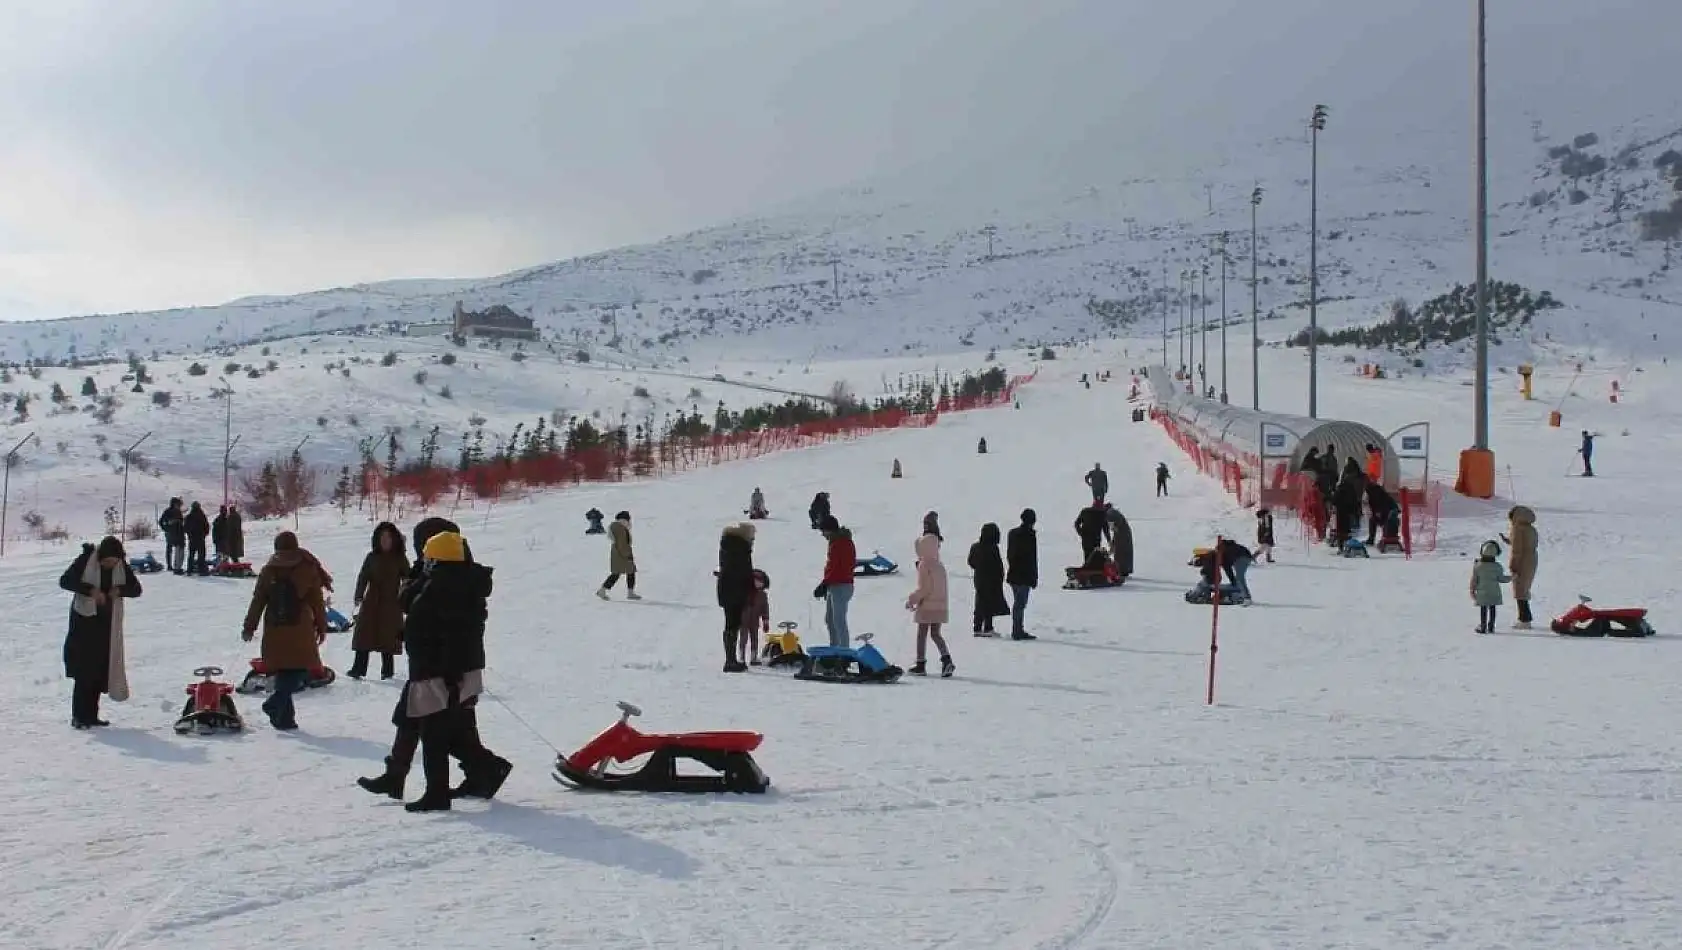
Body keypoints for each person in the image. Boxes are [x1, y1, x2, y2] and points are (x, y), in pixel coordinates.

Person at [358, 518, 510, 804]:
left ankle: (483, 769)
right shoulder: (437, 569)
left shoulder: (450, 575)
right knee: (413, 717)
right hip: (439, 662)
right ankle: (397, 774)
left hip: (446, 665)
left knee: (447, 728)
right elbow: (410, 603)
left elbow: (444, 619)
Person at [398, 529, 508, 812]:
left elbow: (453, 634)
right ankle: (486, 771)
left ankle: (437, 793)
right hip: (455, 669)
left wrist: (449, 672)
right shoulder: (458, 583)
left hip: (441, 671)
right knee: (457, 731)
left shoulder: (443, 588)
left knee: (434, 733)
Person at [240, 531, 328, 731]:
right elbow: (317, 600)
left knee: (283, 671)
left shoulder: (269, 570)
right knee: (299, 669)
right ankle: (275, 703)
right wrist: (322, 626)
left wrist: (249, 626)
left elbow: (258, 600)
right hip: (300, 626)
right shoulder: (307, 567)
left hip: (275, 628)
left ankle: (285, 720)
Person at [59, 537, 142, 728]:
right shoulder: (86, 559)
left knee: (98, 670)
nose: (111, 565)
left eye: (114, 562)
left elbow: (136, 589)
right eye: (107, 561)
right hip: (84, 623)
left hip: (107, 625)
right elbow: (65, 581)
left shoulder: (121, 566)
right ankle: (79, 716)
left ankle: (92, 716)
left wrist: (119, 590)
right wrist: (91, 591)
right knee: (83, 670)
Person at [351, 521, 409, 680]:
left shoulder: (400, 558)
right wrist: (359, 595)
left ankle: (387, 671)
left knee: (388, 636)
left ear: (394, 539)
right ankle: (358, 669)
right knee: (364, 634)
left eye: (388, 538)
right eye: (382, 537)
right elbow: (363, 577)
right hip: (371, 601)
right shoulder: (371, 557)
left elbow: (408, 578)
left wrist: (405, 595)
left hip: (391, 603)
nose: (385, 541)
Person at [905, 529, 954, 677]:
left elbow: (924, 588)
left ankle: (921, 664)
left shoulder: (924, 565)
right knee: (936, 634)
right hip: (940, 605)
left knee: (922, 634)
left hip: (927, 605)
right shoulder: (939, 566)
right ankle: (946, 659)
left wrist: (912, 599)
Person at [716, 522, 755, 672]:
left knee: (730, 623)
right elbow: (744, 571)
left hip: (726, 589)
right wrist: (750, 587)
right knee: (733, 624)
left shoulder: (727, 546)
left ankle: (730, 658)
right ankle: (730, 661)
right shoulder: (741, 549)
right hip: (736, 590)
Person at [814, 515, 855, 649]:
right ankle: (835, 648)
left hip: (840, 585)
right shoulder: (838, 542)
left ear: (830, 530)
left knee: (838, 621)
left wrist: (825, 583)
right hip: (836, 584)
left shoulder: (840, 543)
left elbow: (837, 567)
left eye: (823, 531)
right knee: (830, 620)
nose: (823, 534)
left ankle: (843, 652)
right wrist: (827, 584)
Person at [967, 523, 1009, 637]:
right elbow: (997, 565)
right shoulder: (993, 548)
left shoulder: (975, 546)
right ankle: (987, 628)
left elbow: (971, 562)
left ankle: (977, 627)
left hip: (979, 579)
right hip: (992, 580)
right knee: (988, 604)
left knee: (980, 602)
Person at [1005, 509, 1038, 640]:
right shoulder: (1030, 535)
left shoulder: (1012, 533)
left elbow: (1009, 554)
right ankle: (1017, 630)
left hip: (1013, 573)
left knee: (1018, 603)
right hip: (1025, 575)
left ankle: (1018, 629)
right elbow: (1032, 558)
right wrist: (1034, 576)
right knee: (1020, 604)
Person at [1505, 506, 1539, 629]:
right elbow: (1528, 542)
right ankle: (1525, 618)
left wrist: (1513, 565)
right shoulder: (1531, 528)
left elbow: (1517, 550)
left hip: (1522, 560)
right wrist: (1510, 540)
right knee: (1525, 588)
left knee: (1519, 590)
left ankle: (1524, 619)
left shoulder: (1517, 529)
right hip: (1532, 559)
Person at [1470, 540, 1512, 634]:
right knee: (1492, 608)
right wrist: (1511, 577)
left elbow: (1474, 580)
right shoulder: (1497, 566)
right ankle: (1491, 626)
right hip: (1494, 592)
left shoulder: (1478, 566)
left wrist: (1472, 590)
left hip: (1482, 592)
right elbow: (1502, 579)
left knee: (1483, 609)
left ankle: (1483, 626)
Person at [597, 511, 640, 600]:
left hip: (617, 553)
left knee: (620, 573)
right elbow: (622, 543)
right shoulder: (620, 528)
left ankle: (603, 590)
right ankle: (629, 593)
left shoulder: (617, 527)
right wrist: (627, 554)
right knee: (624, 573)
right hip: (622, 554)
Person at [742, 569, 771, 666]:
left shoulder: (762, 595)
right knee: (743, 638)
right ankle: (741, 657)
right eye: (757, 581)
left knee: (754, 638)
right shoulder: (745, 592)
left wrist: (765, 621)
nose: (758, 584)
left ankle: (754, 657)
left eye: (760, 582)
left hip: (754, 621)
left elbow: (764, 609)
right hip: (743, 620)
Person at [1103, 504, 1134, 580]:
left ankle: (1121, 570)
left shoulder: (1110, 513)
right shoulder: (1112, 512)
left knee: (1120, 552)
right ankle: (1124, 570)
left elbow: (1116, 525)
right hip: (1123, 534)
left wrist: (1115, 528)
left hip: (1122, 535)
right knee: (1123, 553)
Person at [1364, 483, 1399, 547]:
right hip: (1385, 512)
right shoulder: (1376, 495)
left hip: (1389, 513)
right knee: (1372, 520)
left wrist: (1380, 512)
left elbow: (1387, 505)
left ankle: (1385, 538)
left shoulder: (1379, 496)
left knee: (1377, 520)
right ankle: (1372, 539)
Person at [159, 498, 186, 573]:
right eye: (178, 504)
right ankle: (170, 565)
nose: (179, 506)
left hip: (177, 533)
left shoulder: (178, 512)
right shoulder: (168, 511)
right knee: (169, 548)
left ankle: (174, 565)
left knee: (175, 548)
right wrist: (167, 528)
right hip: (171, 533)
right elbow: (161, 521)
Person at [184, 502, 211, 574]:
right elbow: (207, 527)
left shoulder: (189, 516)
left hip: (192, 538)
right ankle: (201, 570)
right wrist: (204, 534)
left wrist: (189, 534)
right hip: (200, 538)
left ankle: (190, 569)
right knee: (201, 554)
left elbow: (185, 527)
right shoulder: (202, 516)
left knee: (191, 554)